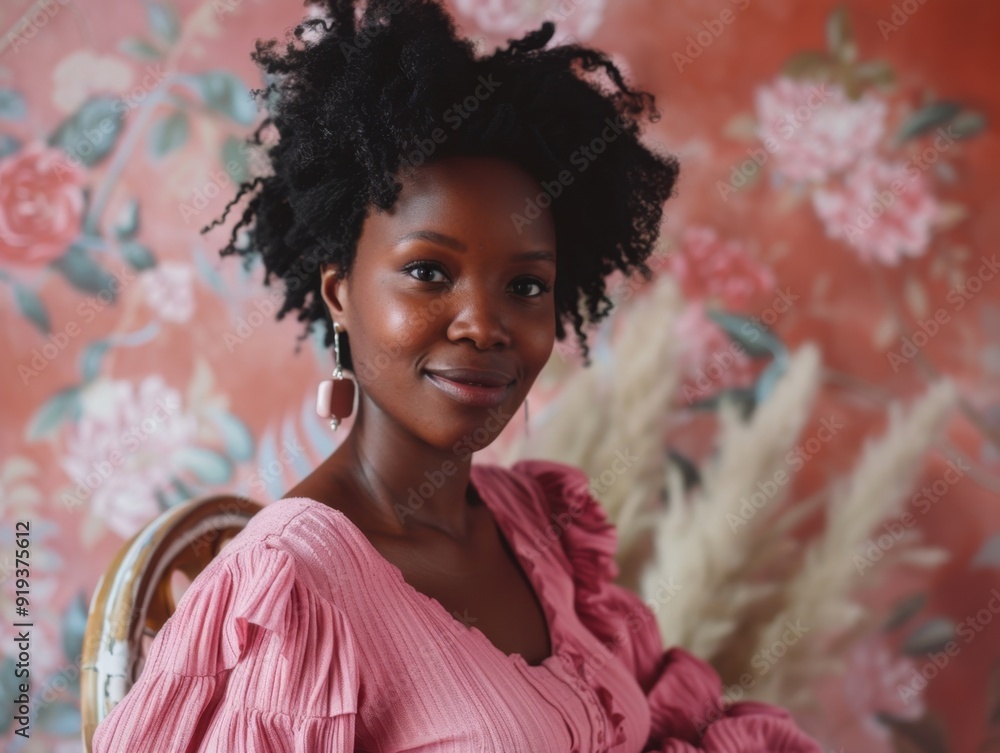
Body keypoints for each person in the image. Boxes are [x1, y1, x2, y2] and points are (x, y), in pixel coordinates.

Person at [92, 1, 822, 750]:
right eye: (429, 271)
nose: (484, 323)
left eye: (526, 285)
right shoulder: (295, 591)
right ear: (341, 294)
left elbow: (683, 722)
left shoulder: (535, 522)